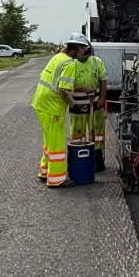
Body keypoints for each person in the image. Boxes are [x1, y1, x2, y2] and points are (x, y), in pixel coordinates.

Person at [32, 35, 86, 188]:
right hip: (52, 107)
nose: (84, 51)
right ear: (75, 49)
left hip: (40, 103)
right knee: (56, 144)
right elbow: (63, 90)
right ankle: (57, 179)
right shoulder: (70, 63)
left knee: (48, 140)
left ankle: (45, 171)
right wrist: (73, 104)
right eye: (83, 48)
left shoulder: (58, 57)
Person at [69, 42, 109, 171]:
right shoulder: (71, 64)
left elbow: (103, 80)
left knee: (98, 134)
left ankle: (98, 160)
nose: (85, 57)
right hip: (77, 106)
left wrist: (102, 98)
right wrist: (82, 88)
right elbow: (65, 85)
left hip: (96, 104)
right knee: (77, 133)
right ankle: (79, 159)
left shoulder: (97, 62)